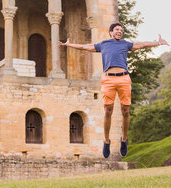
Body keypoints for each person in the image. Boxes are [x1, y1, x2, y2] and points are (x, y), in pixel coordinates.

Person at [59, 22, 169, 158]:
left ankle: (124, 139)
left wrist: (157, 43)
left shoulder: (125, 44)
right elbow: (85, 47)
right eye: (117, 29)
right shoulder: (104, 44)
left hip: (124, 79)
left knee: (125, 110)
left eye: (121, 30)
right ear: (111, 32)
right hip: (108, 80)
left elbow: (141, 44)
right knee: (108, 111)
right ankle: (106, 141)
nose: (120, 31)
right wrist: (68, 45)